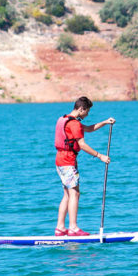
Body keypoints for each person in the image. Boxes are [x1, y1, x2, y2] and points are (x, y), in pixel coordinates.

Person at [54, 96, 114, 237]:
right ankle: (73, 228)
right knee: (75, 193)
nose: (87, 114)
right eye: (87, 111)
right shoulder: (73, 124)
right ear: (81, 109)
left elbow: (88, 128)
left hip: (60, 161)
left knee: (67, 194)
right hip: (68, 161)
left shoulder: (64, 119)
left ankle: (60, 228)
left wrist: (105, 122)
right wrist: (100, 156)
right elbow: (82, 145)